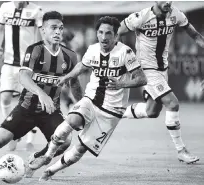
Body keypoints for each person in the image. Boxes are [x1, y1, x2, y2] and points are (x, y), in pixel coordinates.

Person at [0, 11, 82, 180]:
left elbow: (74, 83)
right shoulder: (35, 50)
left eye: (60, 28)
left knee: (65, 142)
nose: (58, 32)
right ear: (43, 30)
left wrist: (81, 106)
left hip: (51, 111)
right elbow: (23, 77)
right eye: (53, 28)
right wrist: (41, 94)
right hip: (26, 109)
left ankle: (36, 159)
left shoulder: (70, 56)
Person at [26, 16, 147, 181]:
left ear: (116, 36)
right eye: (101, 32)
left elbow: (141, 79)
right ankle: (48, 155)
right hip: (91, 99)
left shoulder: (125, 52)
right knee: (72, 119)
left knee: (81, 148)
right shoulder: (92, 49)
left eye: (109, 33)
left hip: (112, 110)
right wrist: (65, 78)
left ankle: (50, 171)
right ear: (97, 33)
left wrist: (121, 83)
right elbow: (81, 67)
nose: (104, 37)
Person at [118, 1, 204, 164]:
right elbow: (117, 32)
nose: (168, 2)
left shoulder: (176, 15)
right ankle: (181, 150)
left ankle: (114, 112)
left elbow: (196, 36)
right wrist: (123, 58)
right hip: (146, 70)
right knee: (172, 104)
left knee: (152, 111)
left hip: (162, 70)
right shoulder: (141, 17)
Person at [0, 1, 43, 151]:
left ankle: (30, 139)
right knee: (5, 97)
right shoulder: (5, 7)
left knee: (30, 102)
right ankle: (12, 132)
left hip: (27, 64)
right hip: (9, 62)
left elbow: (41, 33)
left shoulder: (36, 10)